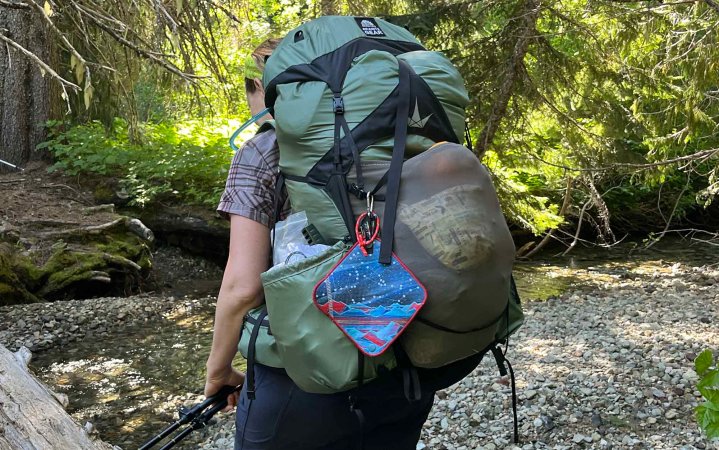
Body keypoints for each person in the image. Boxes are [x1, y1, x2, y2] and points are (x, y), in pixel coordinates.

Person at [204, 38, 483, 450]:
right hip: (405, 353)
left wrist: (218, 371)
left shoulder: (264, 149)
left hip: (303, 374)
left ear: (264, 89)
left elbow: (243, 287)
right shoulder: (408, 140)